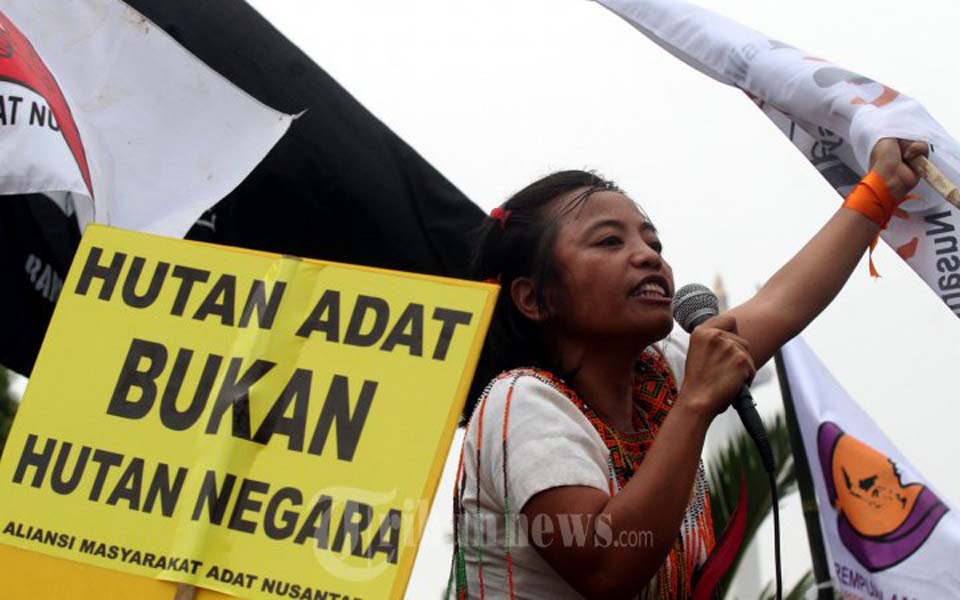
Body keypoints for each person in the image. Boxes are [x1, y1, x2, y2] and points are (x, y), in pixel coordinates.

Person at [447, 138, 929, 600]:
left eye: (652, 241)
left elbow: (781, 304)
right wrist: (696, 403)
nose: (647, 255)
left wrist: (881, 187)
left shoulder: (660, 376)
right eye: (610, 242)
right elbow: (606, 567)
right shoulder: (519, 399)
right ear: (534, 298)